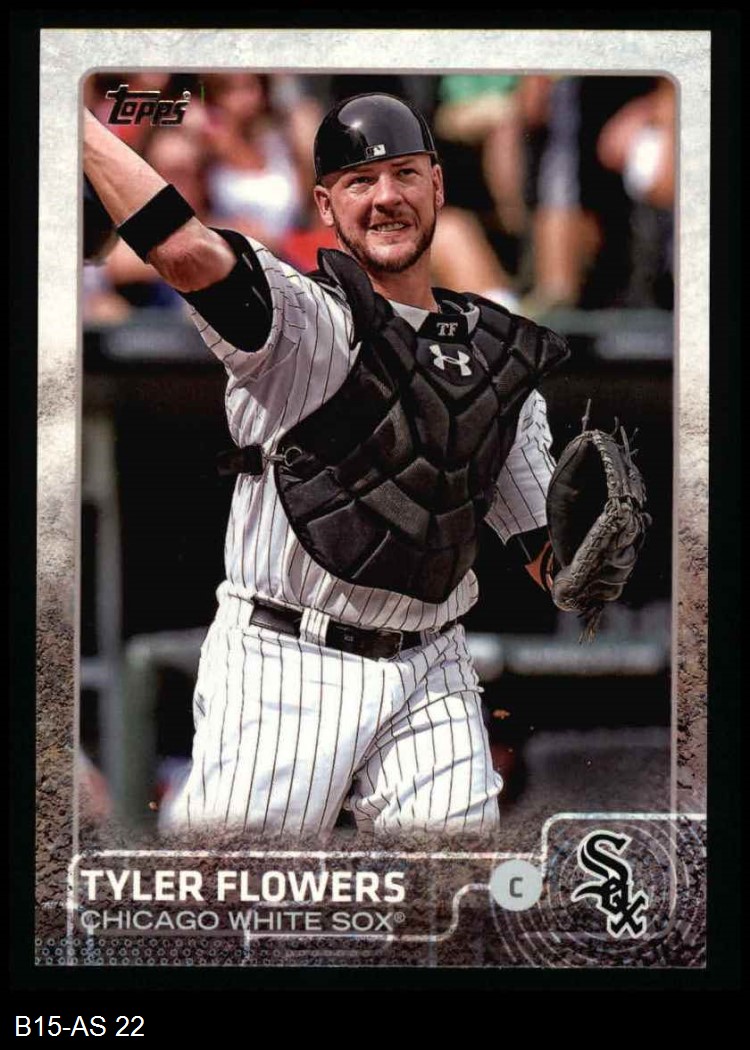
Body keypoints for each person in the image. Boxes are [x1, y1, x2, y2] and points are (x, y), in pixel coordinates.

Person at [83, 91, 569, 840]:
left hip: (431, 664)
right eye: (359, 181)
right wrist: (76, 123)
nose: (386, 197)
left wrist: (590, 559)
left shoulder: (497, 364)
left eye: (405, 174)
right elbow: (184, 251)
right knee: (235, 899)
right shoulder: (298, 316)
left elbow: (551, 560)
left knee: (452, 889)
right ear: (325, 204)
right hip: (286, 659)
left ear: (438, 185)